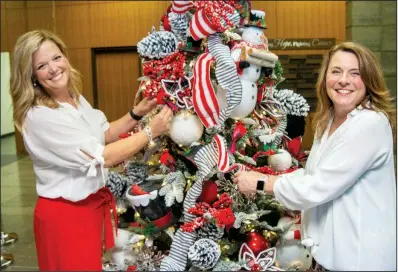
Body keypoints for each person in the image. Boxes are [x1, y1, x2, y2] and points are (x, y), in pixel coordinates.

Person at [9, 29, 173, 271]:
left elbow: (103, 133)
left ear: (65, 57)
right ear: (31, 75)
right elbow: (102, 157)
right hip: (65, 217)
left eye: (56, 58)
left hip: (90, 208)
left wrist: (136, 113)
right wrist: (151, 132)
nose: (53, 68)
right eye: (42, 65)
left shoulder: (71, 97)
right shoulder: (40, 116)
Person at [233, 42, 396, 271]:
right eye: (336, 71)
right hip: (328, 258)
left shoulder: (370, 123)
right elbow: (313, 174)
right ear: (325, 77)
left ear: (368, 81)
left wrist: (261, 182)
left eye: (355, 73)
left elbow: (317, 186)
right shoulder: (328, 121)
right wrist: (265, 174)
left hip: (360, 261)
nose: (343, 80)